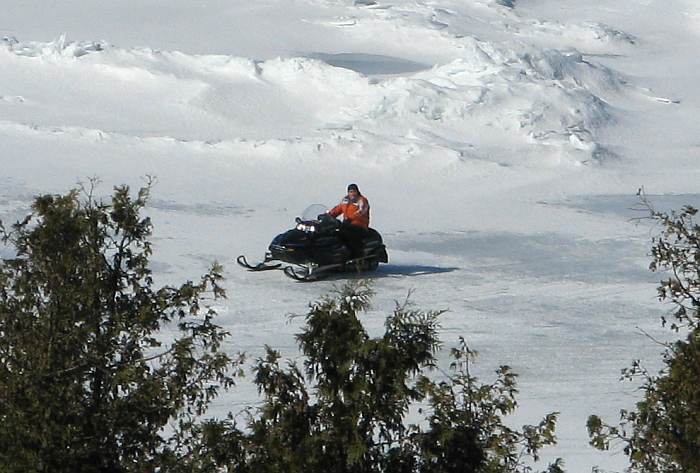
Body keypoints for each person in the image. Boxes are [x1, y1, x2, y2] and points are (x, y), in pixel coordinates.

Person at [328, 183, 370, 258]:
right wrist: (328, 215)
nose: (352, 193)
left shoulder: (361, 200)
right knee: (334, 233)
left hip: (359, 224)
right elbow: (338, 209)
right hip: (347, 224)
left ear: (357, 192)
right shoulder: (345, 200)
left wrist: (350, 218)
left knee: (349, 234)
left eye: (354, 191)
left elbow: (361, 212)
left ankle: (357, 256)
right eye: (350, 191)